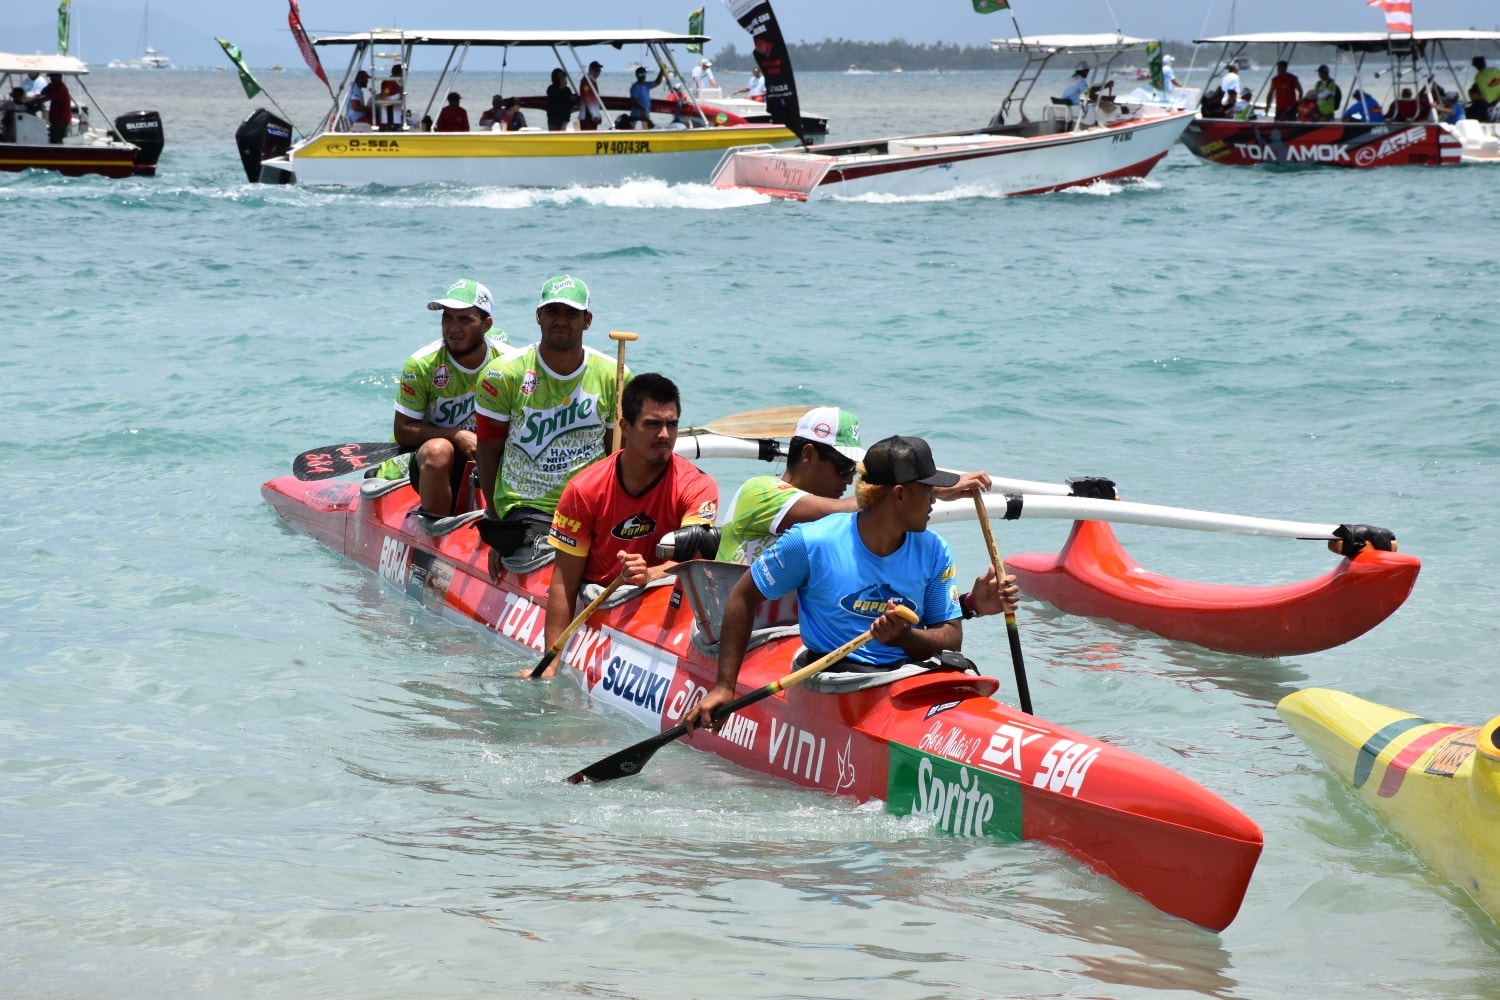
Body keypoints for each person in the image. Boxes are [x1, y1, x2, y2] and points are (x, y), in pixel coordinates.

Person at [684, 435, 1021, 732]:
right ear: (900, 495)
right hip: (838, 677)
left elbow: (951, 637)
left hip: (908, 678)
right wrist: (724, 687)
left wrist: (905, 637)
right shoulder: (812, 542)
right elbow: (742, 597)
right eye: (928, 489)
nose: (935, 499)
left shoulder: (934, 550)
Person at [537, 373, 718, 676]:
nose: (664, 434)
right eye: (652, 424)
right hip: (602, 594)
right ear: (625, 428)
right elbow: (564, 582)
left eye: (671, 424)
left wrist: (649, 574)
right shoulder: (584, 490)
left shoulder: (697, 486)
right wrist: (549, 664)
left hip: (660, 594)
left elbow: (697, 562)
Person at [475, 275, 628, 576]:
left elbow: (616, 458)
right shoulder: (503, 375)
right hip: (525, 507)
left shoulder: (616, 376)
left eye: (571, 313)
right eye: (553, 312)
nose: (561, 321)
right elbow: (488, 453)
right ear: (538, 316)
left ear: (587, 320)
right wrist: (496, 528)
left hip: (587, 508)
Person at [716, 407, 992, 564]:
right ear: (808, 455)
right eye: (844, 467)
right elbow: (847, 509)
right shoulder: (760, 490)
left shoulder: (831, 524)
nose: (849, 479)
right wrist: (924, 489)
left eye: (855, 470)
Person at [372, 279, 513, 519]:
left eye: (464, 319)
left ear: (486, 324)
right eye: (448, 317)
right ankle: (436, 530)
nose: (453, 327)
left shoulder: (510, 363)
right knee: (439, 450)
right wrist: (457, 435)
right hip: (431, 462)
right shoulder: (422, 363)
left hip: (486, 457)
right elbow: (403, 430)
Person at [38, 74, 71, 144]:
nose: (52, 80)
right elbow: (42, 93)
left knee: (57, 141)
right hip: (56, 120)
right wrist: (48, 87)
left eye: (53, 78)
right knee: (53, 138)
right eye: (51, 78)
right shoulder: (55, 88)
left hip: (61, 120)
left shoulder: (61, 89)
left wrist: (33, 102)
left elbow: (46, 98)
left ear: (59, 78)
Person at [376, 62, 403, 130]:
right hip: (390, 119)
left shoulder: (397, 83)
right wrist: (399, 95)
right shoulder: (389, 82)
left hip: (396, 117)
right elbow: (385, 99)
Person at [578, 61, 605, 130]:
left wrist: (598, 115)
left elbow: (594, 101)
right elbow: (588, 99)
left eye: (599, 70)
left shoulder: (592, 81)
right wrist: (595, 115)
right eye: (596, 70)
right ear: (590, 70)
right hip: (587, 116)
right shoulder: (587, 81)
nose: (598, 72)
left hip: (591, 116)